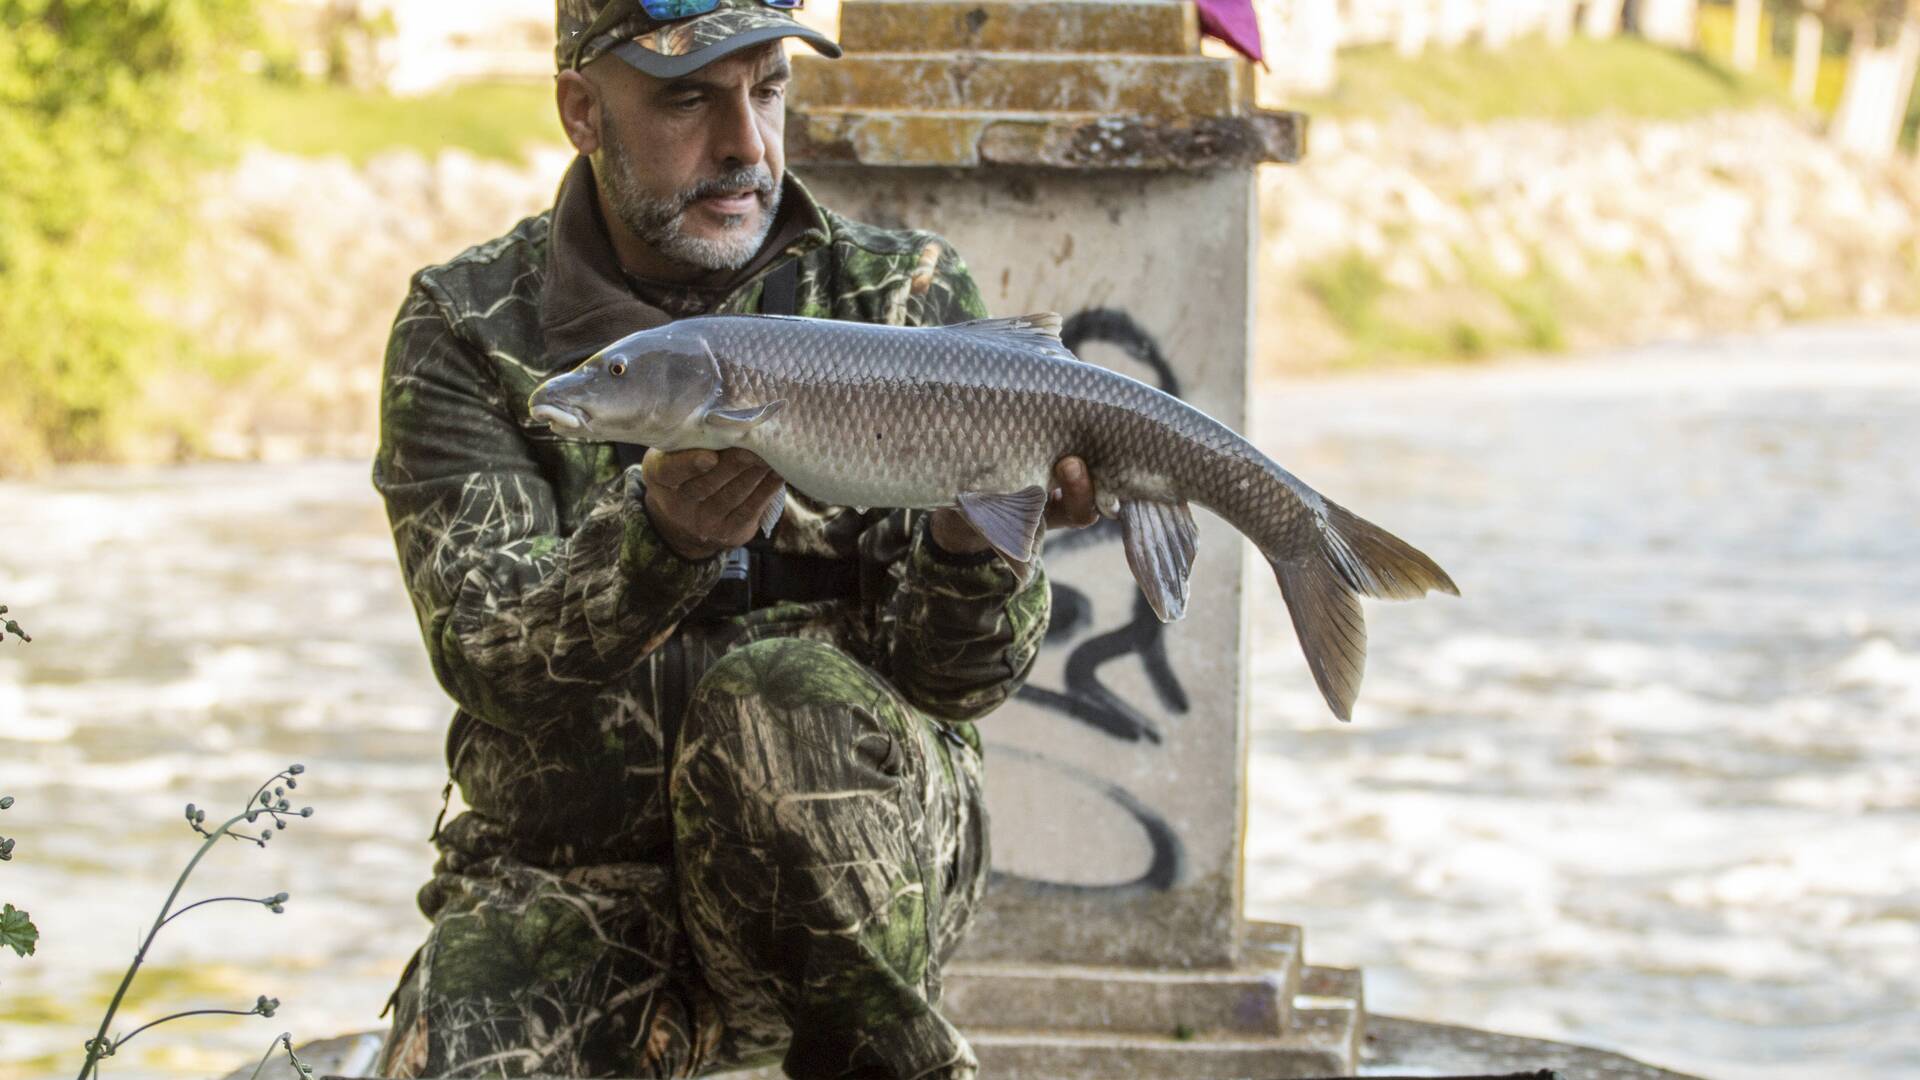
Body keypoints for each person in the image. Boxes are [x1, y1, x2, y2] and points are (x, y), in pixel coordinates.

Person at [370, 0, 1097, 1075]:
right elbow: (485, 657)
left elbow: (956, 684)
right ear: (583, 110)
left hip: (843, 860)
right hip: (569, 876)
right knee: (462, 1040)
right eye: (686, 98)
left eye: (767, 90)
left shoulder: (901, 294)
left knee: (777, 708)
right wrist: (655, 545)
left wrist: (972, 546)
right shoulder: (468, 331)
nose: (744, 146)